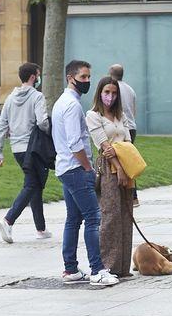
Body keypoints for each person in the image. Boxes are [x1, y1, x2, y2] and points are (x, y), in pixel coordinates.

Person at [52, 59, 118, 287]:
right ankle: (97, 270)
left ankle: (70, 268)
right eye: (83, 78)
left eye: (89, 77)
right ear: (71, 78)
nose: (87, 81)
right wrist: (88, 168)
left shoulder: (63, 102)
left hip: (65, 168)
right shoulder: (71, 106)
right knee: (92, 217)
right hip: (76, 169)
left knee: (73, 219)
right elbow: (75, 143)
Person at [0, 62, 51, 243]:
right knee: (32, 185)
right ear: (34, 77)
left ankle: (40, 229)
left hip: (17, 149)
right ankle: (8, 220)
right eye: (38, 75)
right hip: (33, 148)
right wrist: (52, 131)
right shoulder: (37, 97)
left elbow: (2, 125)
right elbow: (42, 123)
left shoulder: (10, 98)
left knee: (35, 185)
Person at [87, 76, 134, 278]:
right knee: (110, 216)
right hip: (109, 169)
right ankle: (108, 264)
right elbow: (104, 145)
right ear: (100, 93)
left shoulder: (120, 115)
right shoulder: (93, 115)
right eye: (107, 92)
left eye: (114, 93)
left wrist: (125, 165)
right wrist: (119, 168)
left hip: (126, 164)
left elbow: (128, 141)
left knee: (126, 215)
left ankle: (123, 266)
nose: (110, 96)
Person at [109, 64, 140, 206]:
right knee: (128, 160)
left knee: (119, 162)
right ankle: (133, 196)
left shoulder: (111, 89)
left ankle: (126, 194)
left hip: (119, 127)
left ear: (111, 73)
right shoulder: (130, 89)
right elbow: (133, 110)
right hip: (131, 127)